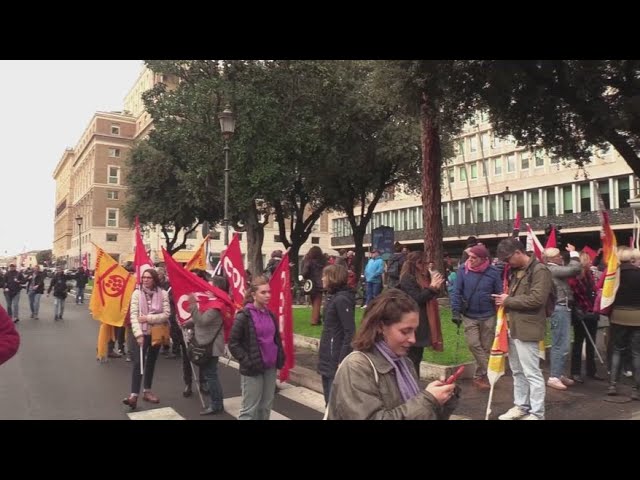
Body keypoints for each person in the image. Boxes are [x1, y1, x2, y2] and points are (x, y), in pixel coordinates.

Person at [325, 289, 458, 420]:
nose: (413, 339)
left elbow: (418, 413)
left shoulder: (405, 364)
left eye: (414, 331)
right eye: (405, 331)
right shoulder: (356, 367)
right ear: (381, 327)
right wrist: (428, 399)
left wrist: (441, 403)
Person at [494, 238, 552, 420]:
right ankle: (521, 406)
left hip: (528, 327)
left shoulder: (540, 270)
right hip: (514, 326)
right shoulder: (517, 270)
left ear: (519, 253)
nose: (507, 262)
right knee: (518, 371)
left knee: (532, 372)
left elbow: (537, 299)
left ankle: (537, 413)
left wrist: (507, 300)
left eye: (508, 258)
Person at [228, 275, 285, 420]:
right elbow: (233, 343)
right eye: (263, 292)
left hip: (270, 367)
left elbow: (275, 339)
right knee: (249, 410)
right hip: (253, 368)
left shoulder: (270, 315)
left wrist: (279, 356)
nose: (268, 295)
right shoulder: (244, 316)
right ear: (253, 294)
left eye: (269, 292)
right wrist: (247, 361)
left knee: (265, 407)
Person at [450, 244, 503, 390]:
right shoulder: (463, 270)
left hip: (488, 314)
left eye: (474, 258)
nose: (470, 260)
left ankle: (479, 376)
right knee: (473, 344)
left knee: (486, 347)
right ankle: (489, 370)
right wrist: (455, 311)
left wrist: (495, 299)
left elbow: (499, 291)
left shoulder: (493, 272)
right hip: (469, 314)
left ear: (483, 259)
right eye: (470, 257)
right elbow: (456, 292)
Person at [122, 269, 170, 410]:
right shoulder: (137, 293)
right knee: (138, 363)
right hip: (141, 334)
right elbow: (133, 316)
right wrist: (138, 335)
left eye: (149, 277)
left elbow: (166, 314)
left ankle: (147, 391)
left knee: (151, 362)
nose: (145, 280)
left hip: (156, 333)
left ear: (154, 279)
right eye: (143, 277)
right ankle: (133, 396)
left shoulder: (163, 294)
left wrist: (148, 318)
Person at [397, 251, 445, 375]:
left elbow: (433, 294)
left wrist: (435, 284)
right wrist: (432, 288)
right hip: (414, 319)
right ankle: (411, 383)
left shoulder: (424, 276)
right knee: (412, 355)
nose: (425, 266)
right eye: (422, 263)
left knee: (417, 355)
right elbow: (417, 298)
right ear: (416, 264)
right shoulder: (407, 278)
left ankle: (414, 382)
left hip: (423, 319)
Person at [543, 244, 581, 390]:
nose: (561, 258)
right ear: (552, 258)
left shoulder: (551, 268)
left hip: (561, 308)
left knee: (562, 343)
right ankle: (554, 376)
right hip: (559, 308)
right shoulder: (552, 269)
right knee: (561, 344)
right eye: (558, 256)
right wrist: (574, 254)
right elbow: (575, 269)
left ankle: (558, 374)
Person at [185, 282, 226, 415]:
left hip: (211, 346)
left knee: (211, 376)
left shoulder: (216, 307)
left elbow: (202, 321)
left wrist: (192, 304)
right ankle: (217, 403)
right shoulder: (211, 304)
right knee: (210, 374)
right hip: (206, 344)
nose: (206, 290)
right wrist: (188, 323)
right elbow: (200, 320)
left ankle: (216, 404)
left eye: (210, 288)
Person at [317, 264, 355, 404]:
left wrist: (342, 359)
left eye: (324, 275)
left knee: (334, 403)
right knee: (329, 401)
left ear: (333, 277)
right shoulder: (333, 297)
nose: (322, 278)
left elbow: (350, 331)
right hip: (328, 355)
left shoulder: (341, 299)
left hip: (335, 358)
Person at [607, 246, 640, 399]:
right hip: (637, 316)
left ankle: (612, 384)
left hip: (618, 315)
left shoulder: (614, 275)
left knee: (617, 350)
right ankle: (636, 389)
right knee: (636, 353)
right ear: (632, 259)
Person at [568, 251, 603, 383]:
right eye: (588, 260)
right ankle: (575, 372)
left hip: (591, 311)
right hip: (581, 312)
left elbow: (592, 291)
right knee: (578, 342)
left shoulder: (589, 275)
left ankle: (591, 370)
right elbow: (573, 294)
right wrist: (577, 309)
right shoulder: (575, 277)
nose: (591, 262)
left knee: (591, 342)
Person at [302, 246, 326, 326]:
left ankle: (314, 321)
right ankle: (317, 318)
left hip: (311, 283)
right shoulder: (323, 261)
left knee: (314, 302)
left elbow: (305, 272)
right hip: (320, 283)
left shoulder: (309, 261)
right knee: (317, 302)